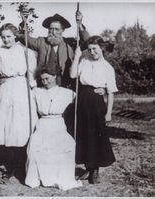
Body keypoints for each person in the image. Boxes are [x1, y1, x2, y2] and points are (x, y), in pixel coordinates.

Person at [0, 23, 38, 180]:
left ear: (15, 35)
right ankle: (9, 166)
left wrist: (32, 89)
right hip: (5, 90)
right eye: (3, 37)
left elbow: (32, 74)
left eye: (9, 36)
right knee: (7, 128)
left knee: (21, 127)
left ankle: (23, 165)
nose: (6, 39)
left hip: (22, 89)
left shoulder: (26, 52)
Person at [25, 65, 82, 190]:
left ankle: (59, 177)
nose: (45, 82)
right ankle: (39, 177)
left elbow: (81, 100)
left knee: (65, 146)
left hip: (58, 125)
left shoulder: (67, 93)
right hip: (43, 124)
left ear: (55, 76)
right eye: (42, 79)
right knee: (35, 147)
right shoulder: (37, 92)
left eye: (47, 78)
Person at [70, 35, 118, 184]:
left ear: (102, 48)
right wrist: (77, 57)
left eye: (95, 49)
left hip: (96, 104)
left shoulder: (107, 67)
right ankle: (87, 167)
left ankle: (95, 170)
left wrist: (109, 112)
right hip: (82, 100)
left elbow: (110, 92)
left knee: (95, 135)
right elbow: (72, 75)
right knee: (83, 134)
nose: (92, 52)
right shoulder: (84, 61)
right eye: (89, 49)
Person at [16, 11, 89, 88]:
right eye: (51, 29)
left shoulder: (70, 43)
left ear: (62, 30)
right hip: (44, 84)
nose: (53, 32)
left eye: (57, 29)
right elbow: (25, 39)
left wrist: (79, 24)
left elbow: (87, 41)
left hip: (65, 85)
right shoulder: (41, 42)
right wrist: (24, 22)